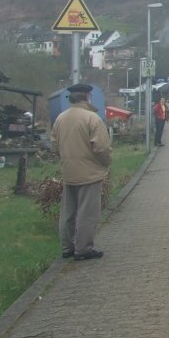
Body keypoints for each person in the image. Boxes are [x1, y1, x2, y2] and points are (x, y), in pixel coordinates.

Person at [50, 83, 112, 261]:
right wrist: (105, 163)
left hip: (68, 172)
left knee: (67, 213)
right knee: (87, 213)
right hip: (89, 173)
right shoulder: (92, 118)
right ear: (87, 97)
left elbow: (54, 145)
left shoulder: (61, 118)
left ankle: (67, 247)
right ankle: (83, 248)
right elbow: (102, 148)